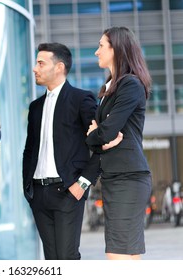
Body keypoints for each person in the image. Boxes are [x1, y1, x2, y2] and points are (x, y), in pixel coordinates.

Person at [22, 43, 100, 260]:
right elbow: (29, 151)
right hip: (39, 194)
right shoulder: (35, 107)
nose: (35, 68)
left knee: (67, 258)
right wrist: (28, 188)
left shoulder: (81, 99)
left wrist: (83, 184)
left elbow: (101, 145)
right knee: (52, 260)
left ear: (59, 67)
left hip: (67, 192)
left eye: (40, 63)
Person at [86, 26, 152, 260]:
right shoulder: (109, 87)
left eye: (101, 46)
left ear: (117, 49)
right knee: (129, 255)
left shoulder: (130, 84)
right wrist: (99, 138)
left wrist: (96, 136)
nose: (96, 52)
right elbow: (101, 136)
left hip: (129, 178)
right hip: (116, 177)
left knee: (117, 255)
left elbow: (103, 133)